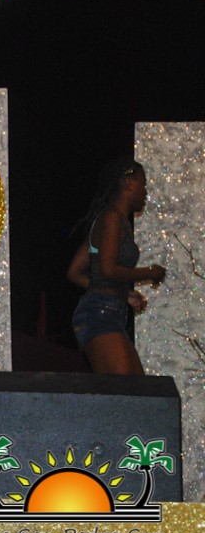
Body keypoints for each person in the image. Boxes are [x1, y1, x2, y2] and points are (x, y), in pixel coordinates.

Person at [67, 157, 165, 375]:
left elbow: (75, 272)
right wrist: (150, 273)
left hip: (108, 312)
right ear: (130, 184)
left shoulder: (112, 220)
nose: (146, 192)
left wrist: (123, 292)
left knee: (138, 389)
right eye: (143, 184)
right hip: (99, 314)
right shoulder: (111, 218)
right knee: (126, 390)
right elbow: (108, 269)